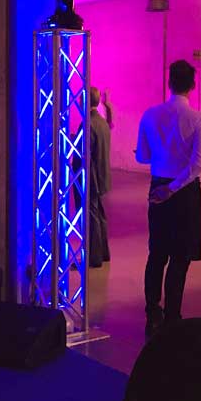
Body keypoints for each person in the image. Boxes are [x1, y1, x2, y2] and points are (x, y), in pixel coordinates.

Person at [135, 60, 201, 339]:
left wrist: (165, 183)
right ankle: (172, 315)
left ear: (169, 83)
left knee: (157, 253)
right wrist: (175, 187)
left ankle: (152, 311)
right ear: (193, 85)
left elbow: (143, 156)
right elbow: (196, 165)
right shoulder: (199, 119)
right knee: (180, 256)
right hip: (185, 192)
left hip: (158, 187)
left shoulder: (150, 114)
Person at [87, 87, 112, 268]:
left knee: (92, 218)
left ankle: (94, 257)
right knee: (100, 216)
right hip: (103, 177)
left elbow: (86, 154)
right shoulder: (102, 123)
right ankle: (103, 253)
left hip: (92, 179)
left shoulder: (88, 124)